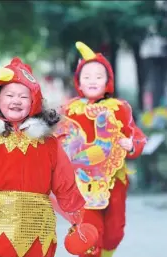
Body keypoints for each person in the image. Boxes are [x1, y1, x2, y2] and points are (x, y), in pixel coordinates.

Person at [0, 57, 86, 257]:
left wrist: (78, 216)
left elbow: (64, 180)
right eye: (9, 95)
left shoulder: (48, 143)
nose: (16, 101)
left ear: (34, 103)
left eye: (23, 96)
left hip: (37, 231)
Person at [60, 41, 147, 257]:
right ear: (78, 80)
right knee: (89, 230)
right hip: (82, 181)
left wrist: (132, 144)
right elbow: (57, 138)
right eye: (86, 76)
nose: (92, 81)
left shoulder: (120, 108)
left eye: (98, 76)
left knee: (115, 230)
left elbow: (136, 135)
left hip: (114, 179)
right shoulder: (69, 109)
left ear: (108, 81)